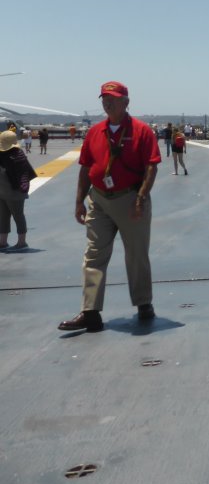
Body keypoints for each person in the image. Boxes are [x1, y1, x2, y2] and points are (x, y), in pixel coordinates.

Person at [58, 81, 161, 333]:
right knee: (93, 255)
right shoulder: (95, 132)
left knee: (136, 254)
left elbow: (151, 166)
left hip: (130, 199)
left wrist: (140, 199)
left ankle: (143, 303)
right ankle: (90, 312)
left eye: (113, 98)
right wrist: (79, 201)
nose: (108, 102)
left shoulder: (141, 131)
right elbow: (85, 167)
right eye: (104, 98)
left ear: (126, 102)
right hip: (100, 200)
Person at [0, 129, 36, 250]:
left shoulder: (17, 155)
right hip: (2, 192)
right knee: (3, 217)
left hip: (15, 193)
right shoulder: (2, 155)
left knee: (18, 216)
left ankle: (22, 243)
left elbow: (23, 174)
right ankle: (3, 242)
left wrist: (23, 187)